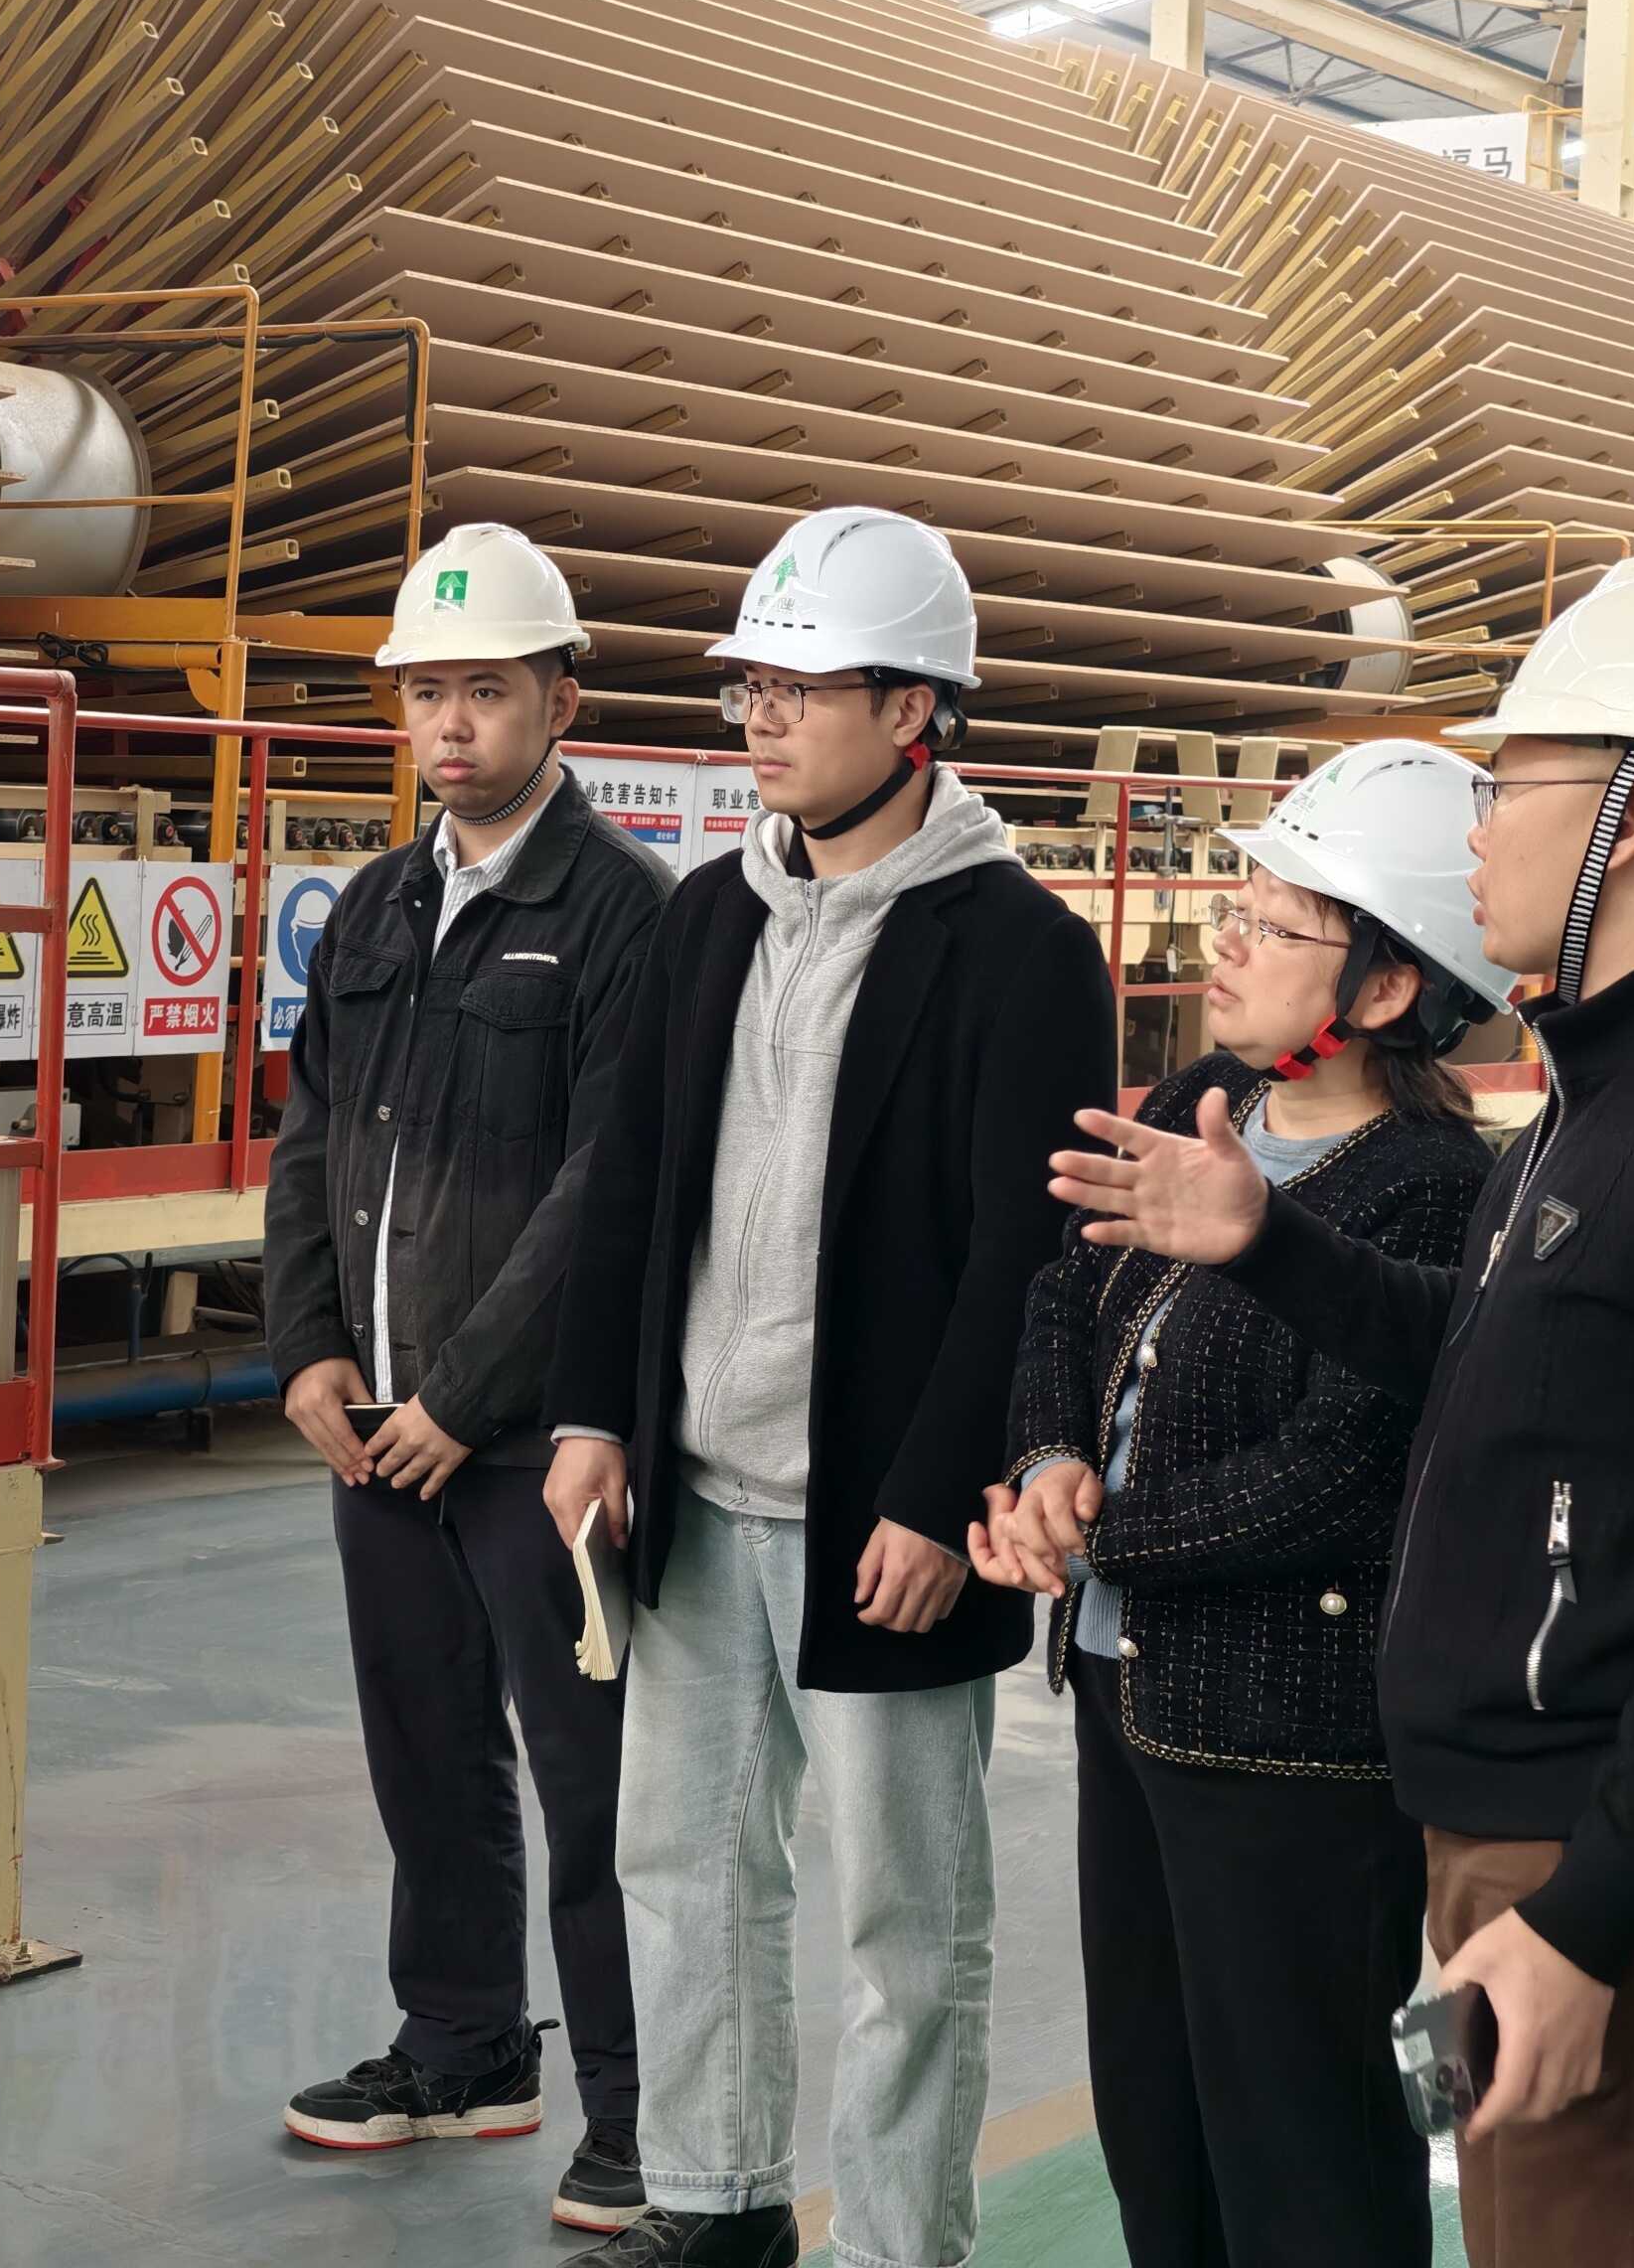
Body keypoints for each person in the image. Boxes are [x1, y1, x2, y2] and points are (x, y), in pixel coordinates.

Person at [1055, 554, 1634, 2268]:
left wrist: (1590, 1921)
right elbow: (1500, 1359)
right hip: (1527, 1833)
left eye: (1510, 786)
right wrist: (1267, 1240)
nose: (1475, 839)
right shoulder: (1617, 1084)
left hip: (1601, 1855)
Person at [541, 508, 1115, 2268]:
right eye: (751, 689)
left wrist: (942, 1500)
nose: (763, 720)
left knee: (903, 1928)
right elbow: (629, 1182)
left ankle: (894, 2245)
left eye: (801, 687)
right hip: (699, 1503)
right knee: (684, 1872)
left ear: (914, 709)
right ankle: (714, 2205)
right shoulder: (711, 917)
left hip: (884, 1524)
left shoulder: (1020, 951)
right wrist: (592, 1414)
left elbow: (1026, 1260)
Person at [967, 742, 1513, 2268]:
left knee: (1303, 2141)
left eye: (1277, 925)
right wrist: (1043, 1467)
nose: (1230, 942)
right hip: (1125, 1693)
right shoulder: (1202, 1102)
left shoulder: (1425, 1186)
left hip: (1293, 1741)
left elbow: (1340, 1473)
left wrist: (1091, 1539)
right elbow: (1062, 1296)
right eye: (1239, 907)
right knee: (1157, 2120)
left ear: (1386, 988)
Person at [264, 522, 671, 2237]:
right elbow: (309, 1132)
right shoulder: (377, 903)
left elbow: (605, 1190)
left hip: (528, 1447)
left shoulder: (624, 913)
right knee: (425, 1750)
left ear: (561, 699)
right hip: (377, 1429)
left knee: (593, 1784)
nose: (450, 723)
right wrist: (307, 1346)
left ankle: (643, 2115)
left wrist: (466, 1398)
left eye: (485, 690)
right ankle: (462, 2047)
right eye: (426, 691)